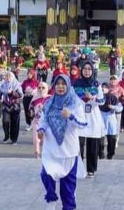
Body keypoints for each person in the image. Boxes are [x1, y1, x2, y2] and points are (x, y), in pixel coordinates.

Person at [37, 74, 87, 210]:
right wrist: (41, 130)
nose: (60, 86)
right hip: (51, 149)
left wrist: (70, 116)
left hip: (69, 151)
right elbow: (43, 120)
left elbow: (83, 124)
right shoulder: (49, 103)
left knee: (67, 189)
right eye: (57, 84)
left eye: (63, 84)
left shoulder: (75, 103)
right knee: (45, 175)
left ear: (68, 85)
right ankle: (51, 200)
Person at [72, 61, 105, 178]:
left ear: (92, 71)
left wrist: (92, 98)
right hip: (80, 115)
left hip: (92, 116)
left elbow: (102, 101)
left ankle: (91, 169)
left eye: (89, 69)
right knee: (78, 144)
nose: (87, 71)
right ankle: (78, 168)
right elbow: (72, 99)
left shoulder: (96, 84)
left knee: (92, 144)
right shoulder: (76, 84)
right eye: (85, 69)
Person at [99, 80, 122, 160]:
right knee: (100, 138)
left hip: (110, 117)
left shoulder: (113, 97)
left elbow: (120, 108)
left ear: (108, 89)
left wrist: (113, 107)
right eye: (102, 87)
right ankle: (100, 153)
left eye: (105, 87)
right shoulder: (99, 97)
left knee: (111, 138)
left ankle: (110, 154)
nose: (103, 89)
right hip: (101, 116)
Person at [0, 71, 23, 144]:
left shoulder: (17, 85)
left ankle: (14, 139)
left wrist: (12, 92)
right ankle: (6, 136)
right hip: (6, 105)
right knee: (5, 121)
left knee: (15, 123)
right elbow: (0, 92)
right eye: (6, 76)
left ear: (13, 77)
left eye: (9, 76)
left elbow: (21, 95)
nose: (8, 78)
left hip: (15, 106)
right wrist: (0, 94)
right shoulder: (3, 84)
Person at [30, 82, 50, 158]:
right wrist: (33, 112)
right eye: (39, 87)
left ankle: (45, 156)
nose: (41, 89)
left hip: (47, 122)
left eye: (43, 87)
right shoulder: (35, 99)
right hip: (37, 121)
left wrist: (44, 108)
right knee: (36, 139)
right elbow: (31, 110)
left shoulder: (50, 98)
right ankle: (37, 155)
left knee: (44, 141)